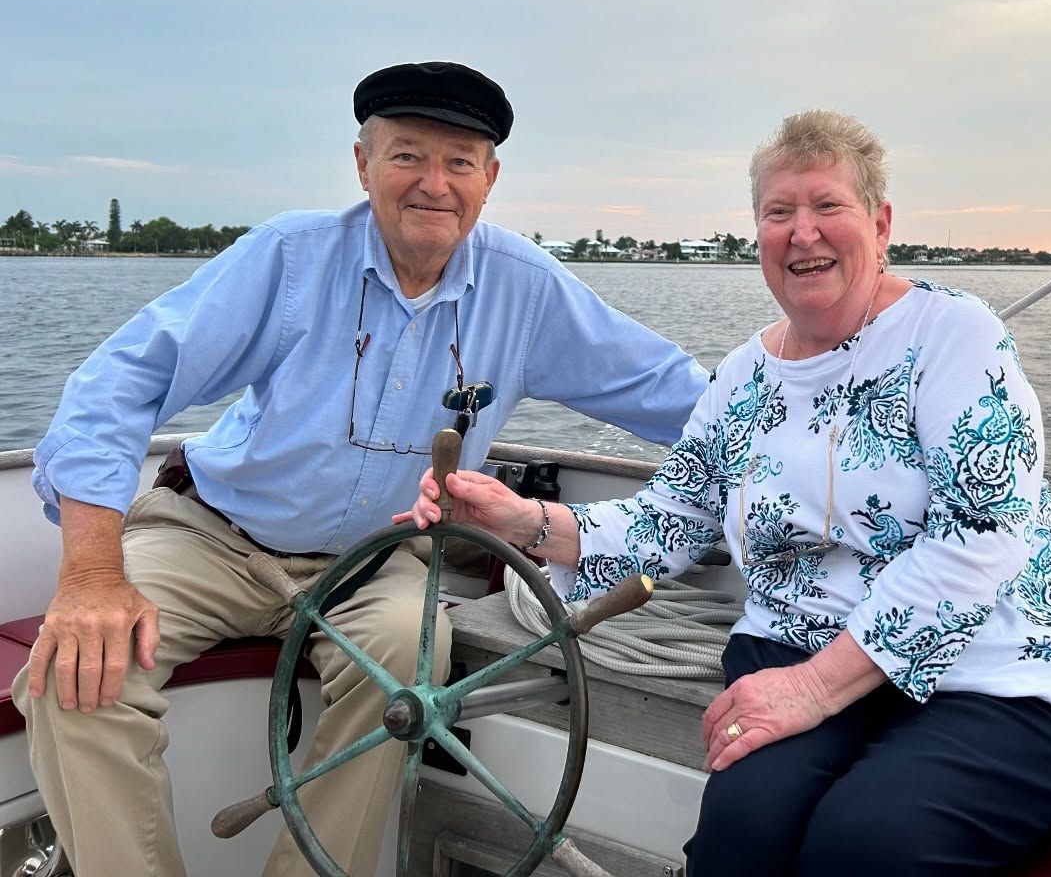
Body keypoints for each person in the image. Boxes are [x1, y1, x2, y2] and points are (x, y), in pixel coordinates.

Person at [15, 60, 709, 877]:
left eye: (459, 162)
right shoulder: (292, 257)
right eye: (407, 155)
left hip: (375, 563)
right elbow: (116, 384)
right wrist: (91, 575)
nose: (434, 184)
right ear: (362, 165)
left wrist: (826, 399)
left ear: (490, 178)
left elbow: (691, 402)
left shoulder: (527, 291)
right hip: (213, 536)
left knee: (409, 661)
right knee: (72, 678)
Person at [400, 110, 1051, 875]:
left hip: (993, 669)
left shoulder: (952, 335)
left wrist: (814, 690)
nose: (802, 232)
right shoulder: (743, 377)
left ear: (880, 225)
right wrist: (520, 520)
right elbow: (666, 524)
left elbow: (983, 534)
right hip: (796, 646)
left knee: (870, 845)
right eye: (779, 212)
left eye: (827, 206)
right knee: (739, 841)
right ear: (758, 235)